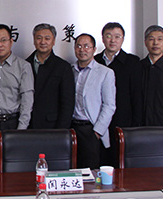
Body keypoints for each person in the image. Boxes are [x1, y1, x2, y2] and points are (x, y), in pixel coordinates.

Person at [0, 24, 34, 172]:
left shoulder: (23, 66)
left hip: (13, 123)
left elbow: (27, 100)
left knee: (13, 168)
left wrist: (21, 129)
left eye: (3, 40)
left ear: (11, 41)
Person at [94, 22, 143, 165]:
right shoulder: (95, 61)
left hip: (123, 121)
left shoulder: (133, 62)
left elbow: (137, 96)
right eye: (108, 36)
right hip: (99, 121)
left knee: (120, 162)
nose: (112, 40)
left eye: (117, 36)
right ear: (103, 39)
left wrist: (135, 125)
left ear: (123, 39)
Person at [71, 33, 116, 169]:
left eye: (86, 46)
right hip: (72, 128)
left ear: (94, 49)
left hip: (91, 128)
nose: (82, 50)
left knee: (90, 170)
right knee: (73, 168)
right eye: (79, 46)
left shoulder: (105, 72)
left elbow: (109, 105)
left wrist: (97, 131)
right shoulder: (69, 70)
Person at [26, 23, 74, 129]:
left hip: (53, 126)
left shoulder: (63, 67)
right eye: (39, 38)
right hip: (28, 125)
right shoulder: (25, 64)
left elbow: (67, 104)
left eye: (47, 38)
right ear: (34, 40)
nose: (43, 42)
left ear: (53, 41)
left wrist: (61, 131)